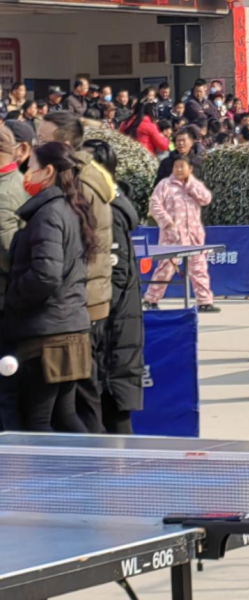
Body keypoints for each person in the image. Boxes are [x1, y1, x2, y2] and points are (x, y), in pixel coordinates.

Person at [4, 142, 98, 432]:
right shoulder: (69, 208)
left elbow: (46, 275)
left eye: (31, 167)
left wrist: (13, 294)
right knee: (64, 416)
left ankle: (85, 461)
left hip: (49, 336)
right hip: (68, 328)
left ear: (47, 171)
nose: (27, 173)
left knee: (40, 421)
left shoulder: (49, 214)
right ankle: (91, 460)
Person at [37, 112, 116, 432]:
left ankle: (97, 457)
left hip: (81, 300)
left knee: (82, 398)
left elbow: (76, 246)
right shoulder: (88, 173)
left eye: (42, 140)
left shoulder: (79, 180)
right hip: (86, 297)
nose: (36, 147)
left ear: (64, 144)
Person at [82, 140, 144, 434]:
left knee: (113, 404)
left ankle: (119, 461)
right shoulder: (103, 203)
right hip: (111, 325)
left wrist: (96, 319)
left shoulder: (111, 210)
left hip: (113, 327)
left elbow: (116, 275)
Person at [143, 157, 219, 313]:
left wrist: (190, 184)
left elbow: (206, 199)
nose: (178, 169)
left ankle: (205, 302)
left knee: (199, 269)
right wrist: (167, 223)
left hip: (194, 236)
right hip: (172, 236)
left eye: (182, 166)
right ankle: (151, 300)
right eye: (176, 166)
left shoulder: (195, 185)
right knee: (165, 268)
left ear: (190, 169)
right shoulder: (165, 185)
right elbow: (154, 204)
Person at [0, 124, 27, 431]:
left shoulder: (5, 193)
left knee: (6, 392)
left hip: (5, 303)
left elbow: (10, 253)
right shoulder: (19, 182)